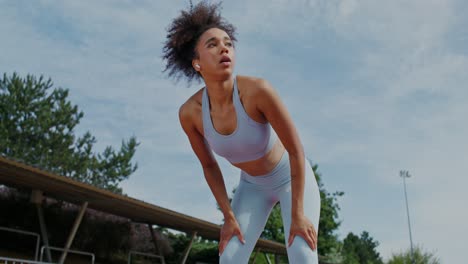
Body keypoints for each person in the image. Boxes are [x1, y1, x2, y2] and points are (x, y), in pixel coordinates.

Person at [163, 2, 321, 263]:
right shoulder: (190, 113)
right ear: (197, 63)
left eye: (228, 43)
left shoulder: (257, 91)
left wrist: (298, 214)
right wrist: (228, 217)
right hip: (252, 186)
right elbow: (209, 166)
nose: (224, 48)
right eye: (212, 44)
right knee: (230, 257)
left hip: (290, 177)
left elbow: (296, 150)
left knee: (302, 253)